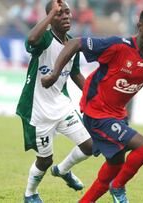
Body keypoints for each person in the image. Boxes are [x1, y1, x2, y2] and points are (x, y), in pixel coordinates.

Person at [42, 8, 143, 203]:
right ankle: (118, 186)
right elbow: (75, 42)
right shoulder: (118, 46)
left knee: (115, 165)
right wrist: (54, 73)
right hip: (97, 113)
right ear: (140, 26)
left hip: (117, 115)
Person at [16, 1, 93, 202]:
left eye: (67, 12)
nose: (66, 16)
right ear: (50, 18)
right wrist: (51, 15)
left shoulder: (72, 44)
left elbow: (75, 73)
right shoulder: (44, 39)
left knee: (90, 146)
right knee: (44, 160)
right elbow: (31, 39)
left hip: (61, 106)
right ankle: (30, 193)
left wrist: (92, 96)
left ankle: (63, 170)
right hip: (38, 110)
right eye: (60, 14)